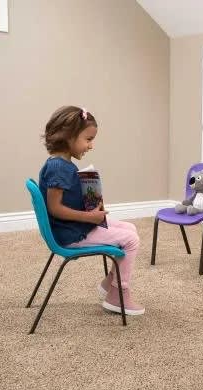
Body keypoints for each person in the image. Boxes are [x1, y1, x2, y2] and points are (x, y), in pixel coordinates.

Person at [39, 105, 144, 315]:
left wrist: (91, 202)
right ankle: (118, 295)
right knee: (131, 240)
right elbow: (55, 208)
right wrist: (89, 217)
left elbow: (66, 200)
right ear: (68, 136)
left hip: (73, 226)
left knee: (130, 228)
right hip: (71, 234)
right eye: (88, 139)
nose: (91, 145)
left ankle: (110, 281)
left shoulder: (60, 164)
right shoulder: (59, 168)